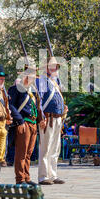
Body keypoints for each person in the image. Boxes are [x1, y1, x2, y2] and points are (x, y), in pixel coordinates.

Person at [8, 66, 44, 185]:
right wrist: (20, 121)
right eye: (31, 76)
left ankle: (27, 177)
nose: (33, 79)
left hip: (33, 123)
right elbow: (11, 106)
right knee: (21, 153)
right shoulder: (16, 89)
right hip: (24, 122)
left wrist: (40, 120)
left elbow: (37, 107)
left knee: (28, 153)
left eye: (34, 77)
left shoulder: (32, 91)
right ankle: (20, 179)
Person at [36, 57, 67, 185]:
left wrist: (63, 108)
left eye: (56, 66)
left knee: (55, 149)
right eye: (52, 66)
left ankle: (53, 174)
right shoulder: (42, 80)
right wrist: (41, 118)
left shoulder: (56, 81)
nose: (55, 68)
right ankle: (43, 176)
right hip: (47, 119)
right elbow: (39, 101)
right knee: (45, 148)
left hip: (57, 118)